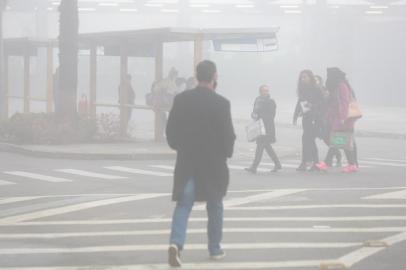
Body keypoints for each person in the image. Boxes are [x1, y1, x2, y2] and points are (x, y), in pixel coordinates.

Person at [166, 60, 236, 267]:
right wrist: (225, 153)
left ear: (196, 76)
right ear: (214, 76)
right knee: (215, 206)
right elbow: (228, 135)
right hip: (213, 164)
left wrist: (181, 146)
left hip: (188, 162)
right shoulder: (222, 103)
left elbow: (171, 132)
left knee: (183, 204)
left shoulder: (181, 99)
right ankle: (214, 248)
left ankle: (176, 244)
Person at [316, 68, 359, 173]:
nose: (328, 77)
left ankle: (326, 162)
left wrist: (342, 118)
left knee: (336, 140)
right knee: (341, 141)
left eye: (329, 75)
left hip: (342, 119)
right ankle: (352, 164)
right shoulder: (336, 86)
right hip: (337, 118)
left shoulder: (341, 86)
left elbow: (345, 102)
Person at [245, 85, 282, 174]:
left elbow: (272, 115)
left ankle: (254, 167)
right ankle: (277, 164)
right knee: (266, 146)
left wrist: (260, 116)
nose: (265, 92)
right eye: (263, 91)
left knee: (261, 145)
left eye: (267, 91)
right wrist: (253, 115)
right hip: (259, 127)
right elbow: (254, 112)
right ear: (260, 92)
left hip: (267, 127)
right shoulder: (257, 100)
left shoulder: (271, 101)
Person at [293, 70, 324, 171]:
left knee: (308, 140)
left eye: (305, 77)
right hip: (306, 117)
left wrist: (312, 106)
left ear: (310, 78)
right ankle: (312, 162)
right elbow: (300, 102)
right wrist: (295, 115)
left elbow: (323, 104)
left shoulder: (316, 89)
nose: (302, 79)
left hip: (315, 118)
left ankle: (308, 162)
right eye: (301, 77)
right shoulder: (302, 89)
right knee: (307, 140)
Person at [315, 75, 342, 167]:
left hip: (330, 118)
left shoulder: (325, 90)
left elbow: (330, 102)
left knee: (334, 138)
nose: (315, 82)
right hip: (321, 118)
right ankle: (336, 154)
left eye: (317, 80)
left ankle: (333, 157)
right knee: (325, 137)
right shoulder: (312, 91)